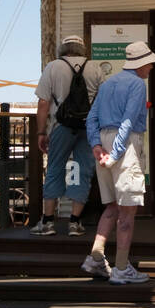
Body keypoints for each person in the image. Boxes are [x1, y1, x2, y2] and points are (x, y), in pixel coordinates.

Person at [81, 41, 155, 284]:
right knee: (127, 211)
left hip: (103, 141)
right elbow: (128, 121)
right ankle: (122, 267)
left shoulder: (108, 83)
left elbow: (91, 118)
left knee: (112, 206)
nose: (151, 68)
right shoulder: (137, 84)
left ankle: (96, 256)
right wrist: (116, 153)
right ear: (142, 64)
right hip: (125, 145)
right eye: (150, 64)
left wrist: (96, 146)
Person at [31, 35, 104, 236]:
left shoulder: (53, 67)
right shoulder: (94, 68)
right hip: (87, 128)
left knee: (55, 168)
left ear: (63, 48)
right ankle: (74, 222)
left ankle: (47, 222)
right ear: (82, 49)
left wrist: (41, 132)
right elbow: (103, 100)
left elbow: (43, 103)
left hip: (61, 127)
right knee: (82, 170)